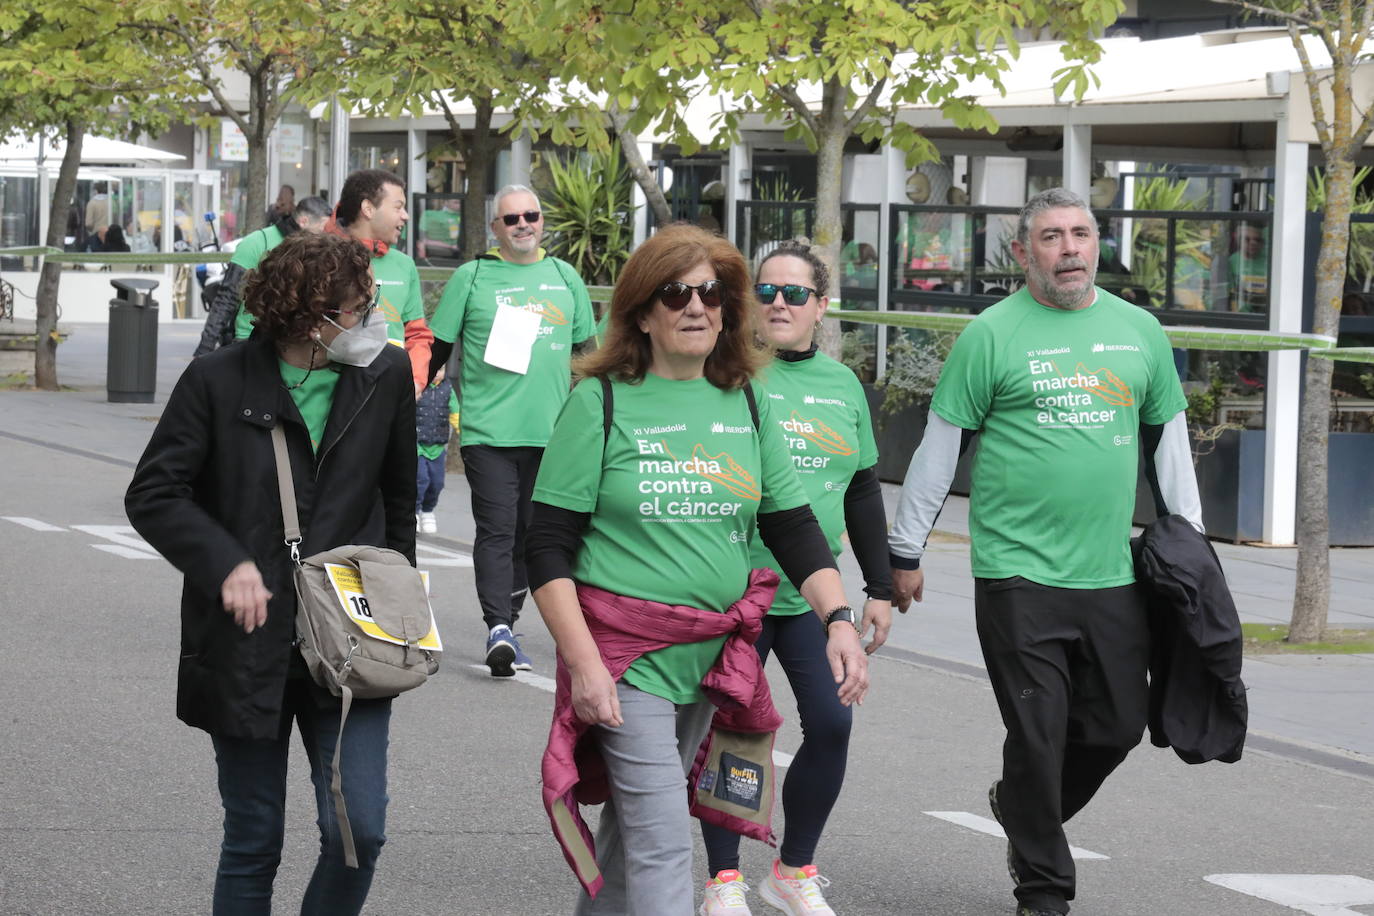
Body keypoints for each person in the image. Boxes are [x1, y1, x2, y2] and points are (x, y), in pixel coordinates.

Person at [525, 223, 870, 916]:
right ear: (642, 313)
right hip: (627, 660)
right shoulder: (602, 401)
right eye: (675, 292)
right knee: (661, 844)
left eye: (710, 293)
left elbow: (792, 526)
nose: (695, 307)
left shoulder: (748, 399)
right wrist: (585, 663)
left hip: (709, 661)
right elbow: (545, 548)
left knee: (630, 838)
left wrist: (839, 618)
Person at [887, 188, 1203, 916]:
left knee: (1122, 723)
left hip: (1110, 573)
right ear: (1026, 251)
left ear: (1098, 245)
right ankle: (1044, 893)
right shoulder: (992, 335)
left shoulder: (1139, 332)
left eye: (1082, 234)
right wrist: (904, 551)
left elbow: (1170, 447)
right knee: (1037, 731)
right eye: (1053, 236)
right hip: (1016, 572)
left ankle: (1021, 806)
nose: (1069, 248)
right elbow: (939, 450)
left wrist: (1191, 549)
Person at [125, 232, 417, 914]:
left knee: (359, 830)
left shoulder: (387, 375)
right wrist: (226, 562)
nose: (370, 320)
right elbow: (154, 493)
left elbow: (398, 498)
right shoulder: (217, 381)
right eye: (355, 308)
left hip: (350, 638)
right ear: (310, 320)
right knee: (254, 837)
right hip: (245, 642)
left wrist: (399, 596)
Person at [698, 241, 891, 916]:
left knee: (833, 726)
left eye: (796, 293)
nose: (780, 302)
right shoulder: (725, 375)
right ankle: (723, 880)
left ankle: (792, 869)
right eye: (768, 291)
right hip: (737, 593)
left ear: (821, 307)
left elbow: (863, 490)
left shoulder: (844, 389)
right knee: (737, 731)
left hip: (814, 599)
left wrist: (883, 586)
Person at [426, 185, 596, 676]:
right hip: (489, 432)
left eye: (531, 216)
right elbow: (437, 349)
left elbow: (589, 359)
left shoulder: (566, 277)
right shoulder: (472, 276)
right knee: (498, 530)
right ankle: (498, 626)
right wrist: (409, 394)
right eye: (511, 218)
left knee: (532, 534)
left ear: (542, 222)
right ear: (495, 228)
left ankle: (510, 623)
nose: (522, 224)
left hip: (553, 436)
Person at [332, 169, 433, 397]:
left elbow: (417, 334)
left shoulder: (404, 265)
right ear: (368, 209)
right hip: (333, 392)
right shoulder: (325, 257)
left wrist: (415, 380)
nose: (405, 216)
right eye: (398, 207)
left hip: (390, 391)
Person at [193, 196, 331, 356]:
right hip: (251, 343)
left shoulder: (316, 251)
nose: (325, 234)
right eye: (322, 227)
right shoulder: (257, 243)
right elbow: (227, 298)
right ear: (304, 221)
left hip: (297, 345)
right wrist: (204, 348)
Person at [415, 367, 460, 534]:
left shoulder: (448, 389)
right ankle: (414, 511)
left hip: (438, 447)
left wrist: (463, 432)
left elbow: (455, 414)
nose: (436, 372)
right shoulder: (418, 386)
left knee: (437, 483)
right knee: (420, 479)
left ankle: (428, 511)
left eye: (440, 369)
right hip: (417, 444)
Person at [1228, 225, 1268, 312]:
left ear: (1262, 243)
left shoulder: (1270, 262)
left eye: (1257, 240)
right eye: (1247, 239)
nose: (1253, 243)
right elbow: (1230, 294)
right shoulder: (1231, 262)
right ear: (1239, 241)